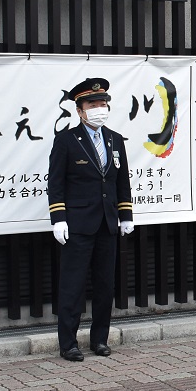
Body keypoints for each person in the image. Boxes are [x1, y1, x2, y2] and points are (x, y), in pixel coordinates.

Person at [47, 78, 135, 362]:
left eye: (103, 104)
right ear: (80, 110)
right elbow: (56, 183)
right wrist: (58, 218)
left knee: (105, 285)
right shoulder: (66, 140)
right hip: (78, 225)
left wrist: (126, 215)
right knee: (72, 286)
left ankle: (99, 339)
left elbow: (123, 181)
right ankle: (68, 343)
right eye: (93, 104)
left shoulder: (115, 139)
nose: (100, 108)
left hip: (108, 224)